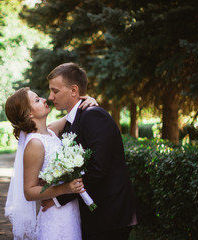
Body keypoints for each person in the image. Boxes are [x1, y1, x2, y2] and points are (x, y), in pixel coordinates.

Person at [43, 62, 137, 240]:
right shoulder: (72, 121)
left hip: (110, 213)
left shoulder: (94, 115)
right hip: (93, 215)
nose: (50, 96)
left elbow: (98, 168)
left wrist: (58, 197)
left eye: (55, 91)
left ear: (73, 90)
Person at [4, 87, 98, 240]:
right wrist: (65, 188)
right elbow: (29, 192)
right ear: (29, 113)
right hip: (55, 217)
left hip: (69, 210)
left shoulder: (51, 131)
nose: (44, 99)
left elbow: (74, 113)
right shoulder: (34, 144)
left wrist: (89, 101)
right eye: (37, 100)